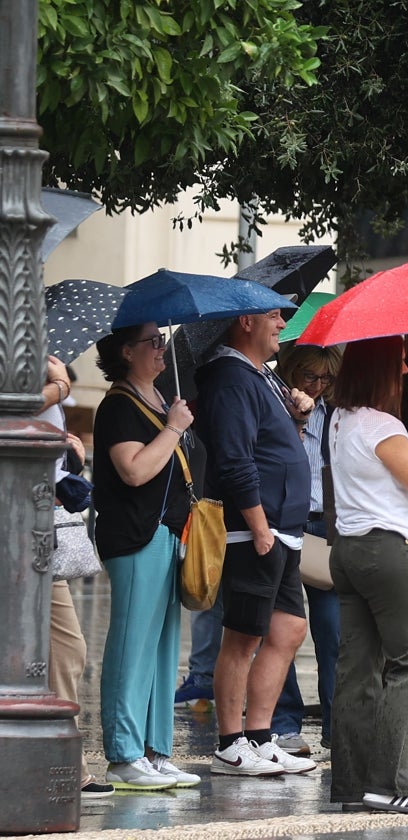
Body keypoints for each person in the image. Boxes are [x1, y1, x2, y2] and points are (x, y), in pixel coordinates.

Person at [193, 310, 318, 777]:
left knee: (287, 630)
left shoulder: (260, 375)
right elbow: (234, 458)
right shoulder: (230, 377)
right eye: (272, 315)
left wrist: (299, 419)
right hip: (255, 530)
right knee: (243, 636)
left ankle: (261, 738)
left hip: (281, 528)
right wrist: (259, 524)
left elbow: (272, 448)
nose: (283, 322)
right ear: (245, 322)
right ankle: (230, 744)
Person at [326, 335, 408, 814]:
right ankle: (392, 784)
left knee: (356, 670)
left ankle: (352, 788)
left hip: (348, 550)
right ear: (381, 369)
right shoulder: (383, 426)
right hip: (387, 552)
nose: (407, 370)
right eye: (399, 362)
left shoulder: (340, 420)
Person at [92, 325, 202, 791]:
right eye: (153, 342)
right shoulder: (119, 405)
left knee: (161, 648)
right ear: (126, 351)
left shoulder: (159, 399)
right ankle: (123, 754)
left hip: (169, 534)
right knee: (132, 646)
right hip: (136, 536)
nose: (162, 347)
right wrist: (174, 427)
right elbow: (134, 470)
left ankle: (156, 751)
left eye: (162, 339)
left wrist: (173, 420)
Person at [38, 356, 114, 798]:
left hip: (40, 526)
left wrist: (70, 456)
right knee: (65, 647)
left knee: (65, 649)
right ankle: (64, 762)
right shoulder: (42, 378)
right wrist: (61, 387)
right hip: (21, 531)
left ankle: (65, 759)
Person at [271, 344, 343, 755]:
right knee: (283, 630)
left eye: (326, 379)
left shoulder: (336, 421)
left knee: (332, 633)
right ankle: (285, 726)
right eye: (309, 378)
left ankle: (338, 727)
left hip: (324, 528)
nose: (317, 387)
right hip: (284, 525)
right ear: (292, 376)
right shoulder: (278, 417)